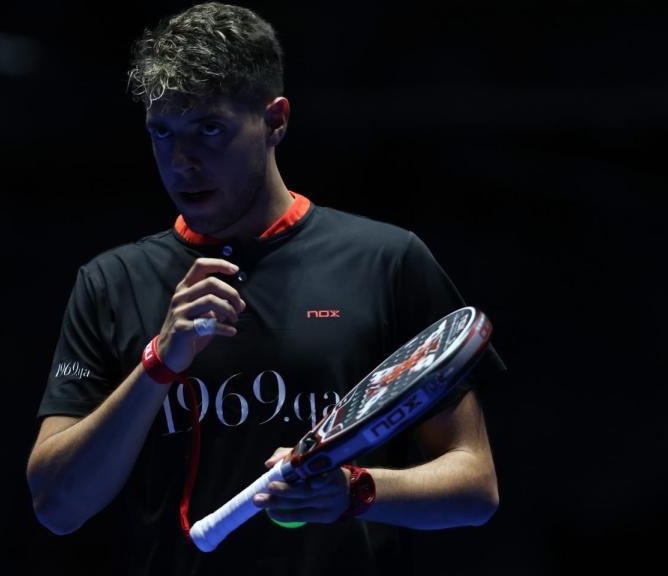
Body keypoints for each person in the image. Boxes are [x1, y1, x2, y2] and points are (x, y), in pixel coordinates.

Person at [26, 3, 505, 574]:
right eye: (162, 132)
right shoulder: (110, 283)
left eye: (210, 128)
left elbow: (475, 486)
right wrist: (159, 363)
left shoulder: (387, 260)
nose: (181, 161)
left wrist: (356, 491)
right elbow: (57, 507)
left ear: (275, 120)